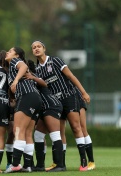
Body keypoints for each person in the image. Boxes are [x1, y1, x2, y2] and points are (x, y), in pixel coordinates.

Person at [31, 40, 90, 171]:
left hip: (68, 97)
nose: (36, 49)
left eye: (38, 46)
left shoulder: (55, 61)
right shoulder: (37, 69)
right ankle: (60, 164)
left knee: (76, 127)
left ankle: (84, 162)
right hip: (55, 103)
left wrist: (83, 92)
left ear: (44, 48)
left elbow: (71, 76)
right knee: (60, 131)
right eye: (34, 48)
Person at [4, 47, 42, 173]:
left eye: (10, 51)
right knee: (27, 133)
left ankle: (15, 164)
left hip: (27, 96)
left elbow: (24, 67)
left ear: (17, 55)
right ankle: (27, 166)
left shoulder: (15, 61)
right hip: (35, 98)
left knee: (18, 130)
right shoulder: (11, 69)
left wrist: (15, 81)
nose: (7, 52)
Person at [26, 60, 65, 172]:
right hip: (44, 108)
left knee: (55, 135)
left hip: (51, 105)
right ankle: (40, 165)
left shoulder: (33, 75)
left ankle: (60, 165)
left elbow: (44, 83)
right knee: (38, 135)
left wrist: (33, 77)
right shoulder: (27, 77)